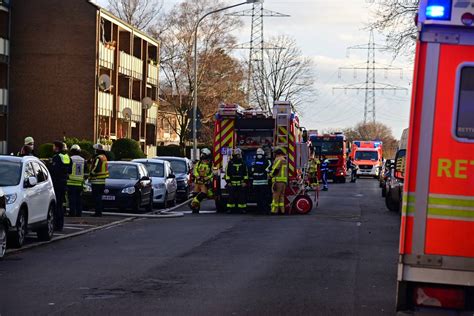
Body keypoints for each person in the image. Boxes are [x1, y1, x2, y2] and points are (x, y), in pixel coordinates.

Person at [50, 141, 71, 230]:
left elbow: (54, 170)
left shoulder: (57, 157)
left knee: (56, 205)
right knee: (61, 204)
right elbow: (69, 170)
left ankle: (56, 225)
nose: (53, 148)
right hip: (64, 182)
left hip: (57, 183)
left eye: (54, 146)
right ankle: (60, 225)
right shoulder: (67, 157)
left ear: (57, 148)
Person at [225, 148, 248, 214]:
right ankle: (230, 209)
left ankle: (242, 209)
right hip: (232, 183)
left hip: (241, 183)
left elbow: (245, 173)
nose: (239, 156)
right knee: (231, 197)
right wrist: (228, 182)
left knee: (242, 197)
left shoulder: (243, 163)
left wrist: (245, 182)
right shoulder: (230, 163)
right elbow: (227, 173)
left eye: (239, 155)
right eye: (238, 155)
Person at [190, 148, 213, 214]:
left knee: (203, 194)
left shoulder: (210, 164)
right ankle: (195, 209)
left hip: (205, 182)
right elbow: (195, 171)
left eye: (203, 154)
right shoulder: (199, 163)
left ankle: (192, 203)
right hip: (197, 181)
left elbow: (212, 173)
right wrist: (197, 176)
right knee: (195, 194)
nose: (201, 155)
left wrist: (207, 178)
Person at [89, 144, 109, 217]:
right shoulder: (104, 157)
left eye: (95, 150)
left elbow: (95, 167)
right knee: (99, 198)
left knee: (96, 198)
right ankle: (99, 212)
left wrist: (91, 174)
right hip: (102, 181)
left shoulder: (98, 158)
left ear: (97, 150)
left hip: (96, 181)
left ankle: (97, 213)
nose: (94, 151)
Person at [250, 148, 272, 214]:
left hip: (255, 183)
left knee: (257, 198)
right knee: (264, 197)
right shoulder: (267, 161)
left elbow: (251, 171)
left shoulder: (254, 161)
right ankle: (264, 210)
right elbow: (269, 169)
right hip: (264, 183)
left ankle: (258, 210)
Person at [67, 144, 85, 217]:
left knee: (72, 199)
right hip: (80, 183)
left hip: (71, 182)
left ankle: (72, 213)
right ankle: (79, 213)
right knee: (79, 199)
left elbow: (67, 169)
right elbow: (86, 170)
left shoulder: (70, 159)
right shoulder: (83, 160)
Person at [269, 147, 288, 215]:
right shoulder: (284, 159)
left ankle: (274, 211)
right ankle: (282, 210)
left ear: (277, 154)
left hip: (277, 181)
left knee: (275, 196)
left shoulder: (278, 159)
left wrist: (270, 175)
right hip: (283, 181)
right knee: (281, 196)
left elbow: (276, 169)